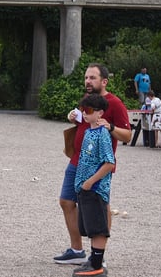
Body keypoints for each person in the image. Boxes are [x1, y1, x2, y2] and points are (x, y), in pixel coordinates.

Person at [53, 63, 131, 266]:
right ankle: (77, 250)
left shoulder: (115, 103)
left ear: (104, 81)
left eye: (92, 78)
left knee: (100, 205)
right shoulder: (87, 101)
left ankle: (98, 255)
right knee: (66, 201)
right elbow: (88, 123)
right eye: (86, 77)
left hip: (97, 166)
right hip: (76, 160)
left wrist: (111, 126)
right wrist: (75, 117)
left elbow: (127, 135)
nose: (88, 81)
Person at [70, 93, 115, 276]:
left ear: (100, 113)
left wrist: (90, 182)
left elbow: (109, 163)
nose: (85, 114)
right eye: (83, 110)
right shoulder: (89, 132)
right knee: (89, 225)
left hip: (95, 189)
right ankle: (93, 260)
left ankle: (97, 265)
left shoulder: (103, 134)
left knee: (97, 227)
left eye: (89, 110)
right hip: (84, 188)